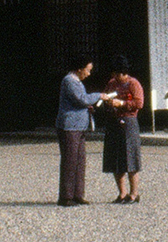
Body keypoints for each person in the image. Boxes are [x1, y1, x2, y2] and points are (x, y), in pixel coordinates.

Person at [57, 59, 105, 204]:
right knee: (70, 161)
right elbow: (81, 99)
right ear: (79, 69)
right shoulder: (69, 81)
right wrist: (98, 96)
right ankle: (66, 196)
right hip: (69, 126)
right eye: (88, 70)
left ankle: (78, 194)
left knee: (80, 160)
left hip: (79, 126)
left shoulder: (77, 82)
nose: (89, 73)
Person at [100, 59, 145, 202]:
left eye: (116, 74)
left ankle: (134, 193)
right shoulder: (111, 84)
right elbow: (106, 95)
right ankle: (122, 193)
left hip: (129, 121)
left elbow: (139, 103)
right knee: (116, 159)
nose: (115, 77)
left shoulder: (133, 84)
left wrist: (123, 103)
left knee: (131, 157)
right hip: (113, 121)